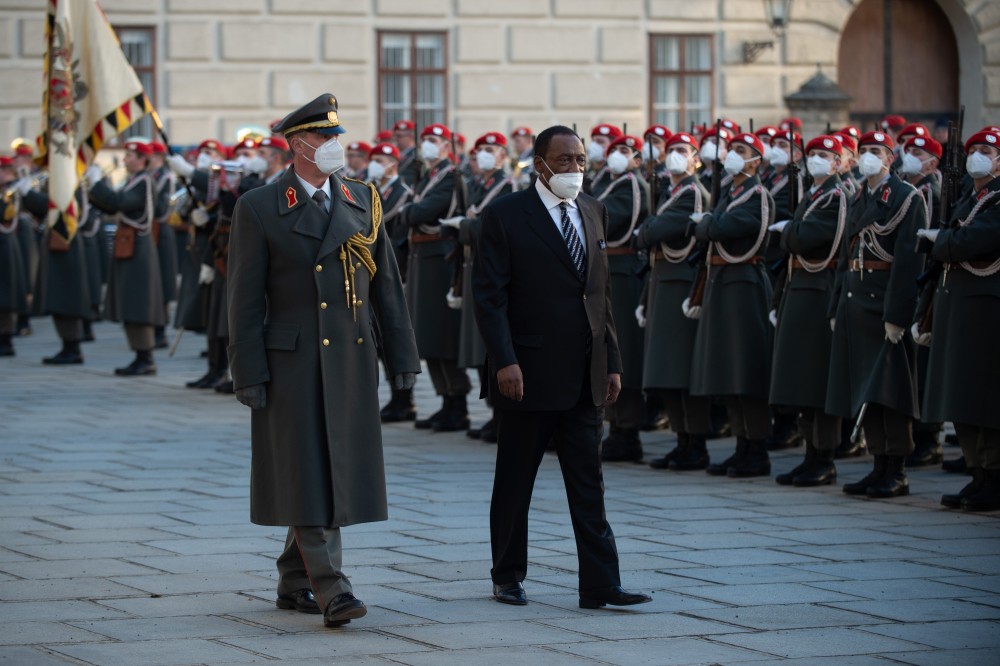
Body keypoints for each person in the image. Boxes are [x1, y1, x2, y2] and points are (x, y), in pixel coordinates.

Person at [227, 93, 420, 628]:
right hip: (291, 360)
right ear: (298, 145)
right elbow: (243, 300)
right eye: (326, 137)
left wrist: (402, 354)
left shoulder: (363, 198)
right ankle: (332, 587)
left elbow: (388, 287)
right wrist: (247, 371)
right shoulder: (261, 206)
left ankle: (294, 578)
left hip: (351, 357)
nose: (338, 145)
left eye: (339, 136)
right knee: (308, 468)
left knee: (319, 467)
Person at [473, 125, 651, 610]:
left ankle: (600, 584)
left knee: (588, 483)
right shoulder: (506, 215)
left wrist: (611, 360)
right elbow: (489, 298)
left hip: (584, 372)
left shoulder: (593, 209)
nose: (574, 169)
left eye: (580, 161)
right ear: (539, 164)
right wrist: (504, 361)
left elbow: (600, 295)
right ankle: (507, 575)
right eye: (564, 160)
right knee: (515, 482)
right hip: (526, 374)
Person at [827, 130, 926, 499]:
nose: (869, 156)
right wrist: (836, 304)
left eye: (876, 151)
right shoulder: (859, 195)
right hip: (856, 299)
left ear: (890, 157)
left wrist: (898, 315)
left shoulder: (905, 196)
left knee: (890, 390)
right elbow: (844, 257)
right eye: (864, 151)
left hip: (883, 301)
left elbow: (908, 262)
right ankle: (877, 463)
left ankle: (896, 469)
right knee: (865, 386)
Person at [920, 129, 1000, 511]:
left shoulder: (997, 199)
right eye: (974, 151)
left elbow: (974, 241)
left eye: (986, 151)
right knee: (962, 394)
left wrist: (939, 241)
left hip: (984, 307)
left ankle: (994, 476)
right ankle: (978, 473)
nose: (977, 157)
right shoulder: (971, 196)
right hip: (958, 303)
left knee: (983, 397)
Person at [690, 132, 776, 478]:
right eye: (732, 149)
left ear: (756, 160)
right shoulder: (731, 191)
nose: (733, 155)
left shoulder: (757, 193)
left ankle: (757, 449)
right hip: (723, 283)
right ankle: (742, 445)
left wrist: (708, 225)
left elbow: (728, 225)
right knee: (730, 370)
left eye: (741, 151)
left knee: (746, 369)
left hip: (744, 284)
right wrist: (710, 226)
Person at [770, 136, 847, 487]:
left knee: (817, 376)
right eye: (813, 154)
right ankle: (809, 453)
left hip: (819, 288)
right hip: (799, 287)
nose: (817, 160)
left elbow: (803, 238)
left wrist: (789, 232)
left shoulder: (835, 196)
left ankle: (824, 456)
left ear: (838, 163)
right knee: (799, 376)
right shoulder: (814, 193)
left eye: (825, 156)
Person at [634, 132, 714, 470]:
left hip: (681, 283)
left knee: (680, 368)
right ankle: (682, 440)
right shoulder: (673, 191)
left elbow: (652, 231)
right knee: (666, 369)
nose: (675, 156)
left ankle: (695, 443)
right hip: (663, 280)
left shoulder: (693, 192)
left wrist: (649, 228)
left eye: (682, 151)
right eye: (671, 151)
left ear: (696, 158)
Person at [398, 124, 472, 432]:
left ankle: (458, 403)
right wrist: (411, 210)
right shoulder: (428, 177)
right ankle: (445, 398)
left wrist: (411, 211)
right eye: (425, 140)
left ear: (446, 147)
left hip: (439, 259)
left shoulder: (450, 178)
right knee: (426, 336)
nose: (427, 145)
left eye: (434, 141)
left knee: (442, 335)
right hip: (422, 259)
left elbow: (419, 213)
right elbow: (412, 211)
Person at [88, 140, 165, 376]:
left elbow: (120, 203)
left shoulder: (143, 181)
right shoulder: (133, 180)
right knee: (129, 300)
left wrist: (98, 183)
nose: (125, 159)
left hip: (138, 247)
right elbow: (111, 208)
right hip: (129, 245)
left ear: (143, 159)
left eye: (130, 155)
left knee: (138, 301)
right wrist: (95, 188)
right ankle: (139, 354)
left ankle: (146, 356)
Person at [595, 134, 649, 462]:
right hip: (608, 266)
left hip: (623, 269)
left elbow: (605, 216)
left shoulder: (631, 184)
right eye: (614, 150)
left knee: (622, 349)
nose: (617, 156)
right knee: (606, 351)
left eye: (625, 151)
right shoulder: (611, 182)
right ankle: (615, 427)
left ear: (638, 160)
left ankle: (628, 432)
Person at [898, 134, 946, 468]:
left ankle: (929, 437)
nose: (910, 156)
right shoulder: (911, 189)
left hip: (925, 282)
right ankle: (918, 433)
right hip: (914, 281)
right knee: (913, 364)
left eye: (919, 152)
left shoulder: (929, 191)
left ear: (932, 162)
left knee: (924, 363)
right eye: (908, 150)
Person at [369, 142, 417, 423]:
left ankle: (405, 398)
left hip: (400, 271)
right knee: (379, 339)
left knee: (395, 335)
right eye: (374, 158)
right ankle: (394, 396)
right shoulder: (371, 191)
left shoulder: (404, 193)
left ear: (394, 163)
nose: (376, 163)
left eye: (382, 158)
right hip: (377, 272)